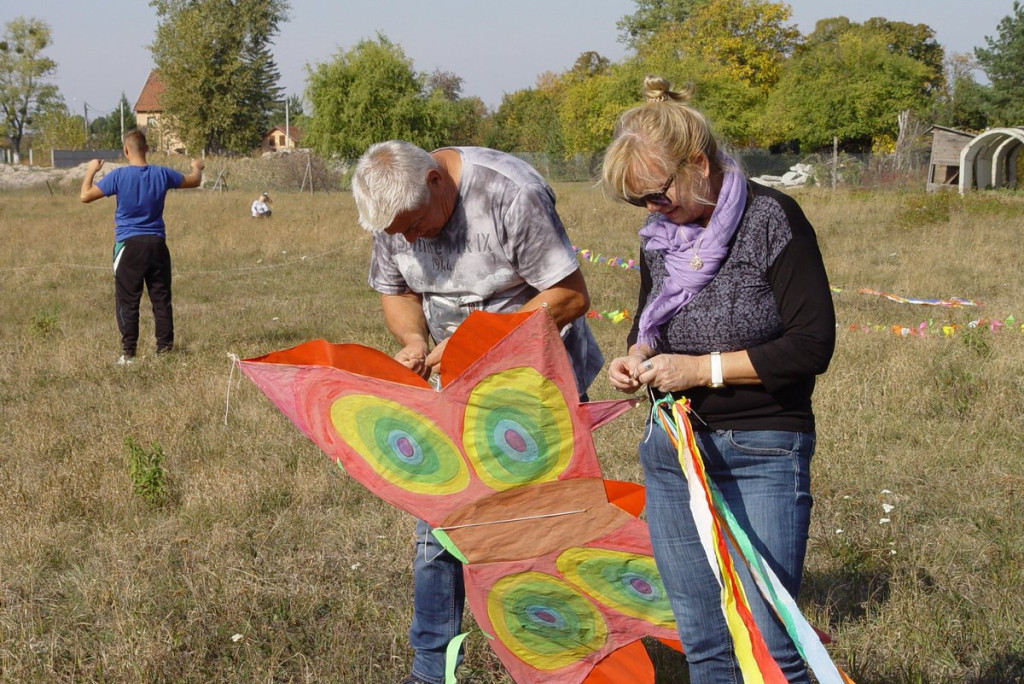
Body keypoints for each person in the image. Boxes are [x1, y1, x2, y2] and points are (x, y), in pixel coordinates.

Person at [601, 76, 835, 683]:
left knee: (773, 645)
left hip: (761, 447)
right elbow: (654, 316)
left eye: (654, 194)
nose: (651, 210)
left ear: (698, 164)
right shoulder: (661, 234)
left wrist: (699, 371)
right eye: (638, 203)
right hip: (673, 447)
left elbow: (812, 345)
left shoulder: (772, 219)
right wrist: (636, 352)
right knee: (704, 645)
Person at [352, 140, 603, 684]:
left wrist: (474, 344)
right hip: (453, 389)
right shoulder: (395, 208)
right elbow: (395, 290)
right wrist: (416, 341)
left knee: (541, 531)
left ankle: (565, 663)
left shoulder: (511, 193)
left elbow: (568, 296)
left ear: (437, 183)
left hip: (538, 386)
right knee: (439, 527)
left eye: (414, 224)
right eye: (397, 232)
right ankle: (430, 671)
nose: (408, 238)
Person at [80, 129, 204, 365]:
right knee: (161, 299)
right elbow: (194, 180)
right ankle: (165, 350)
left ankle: (129, 353)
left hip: (128, 245)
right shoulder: (162, 173)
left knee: (128, 301)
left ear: (126, 151)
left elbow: (85, 196)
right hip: (157, 243)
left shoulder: (118, 177)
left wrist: (91, 170)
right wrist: (197, 166)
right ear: (146, 148)